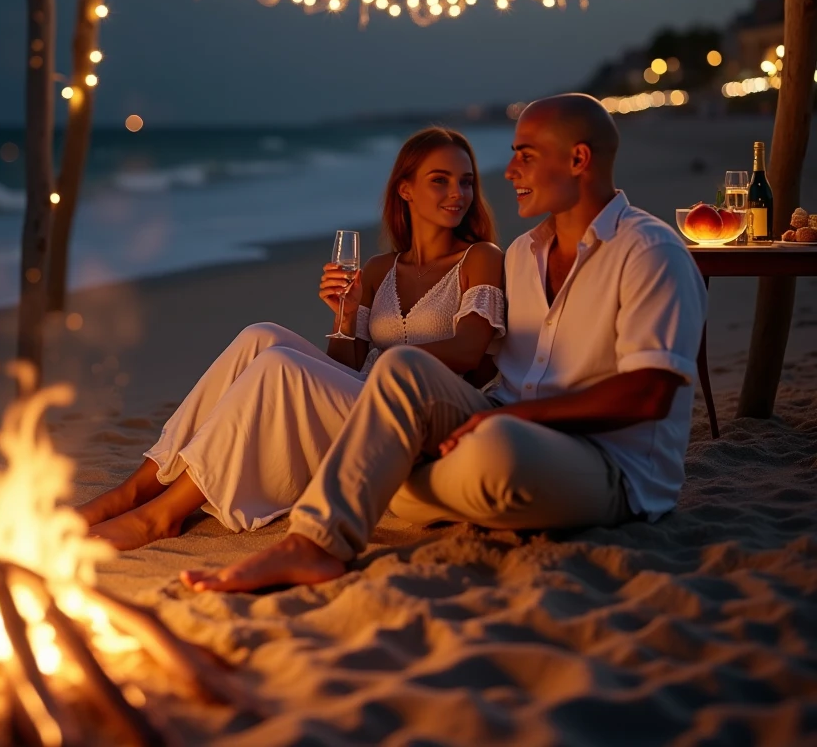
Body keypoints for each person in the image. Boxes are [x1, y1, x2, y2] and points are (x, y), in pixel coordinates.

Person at [182, 93, 708, 593]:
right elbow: (480, 369)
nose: (509, 173)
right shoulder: (523, 256)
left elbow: (648, 395)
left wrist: (508, 420)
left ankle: (333, 529)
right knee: (400, 368)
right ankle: (318, 533)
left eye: (525, 156)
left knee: (487, 454)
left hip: (608, 468)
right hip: (501, 427)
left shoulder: (649, 251)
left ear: (578, 159)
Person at [77, 127, 505, 550]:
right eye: (441, 180)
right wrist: (346, 314)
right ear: (405, 190)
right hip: (363, 399)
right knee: (259, 336)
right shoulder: (378, 269)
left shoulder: (480, 257)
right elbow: (345, 365)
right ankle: (132, 491)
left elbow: (469, 353)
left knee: (279, 366)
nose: (458, 193)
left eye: (466, 181)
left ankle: (161, 516)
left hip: (414, 413)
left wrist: (389, 369)